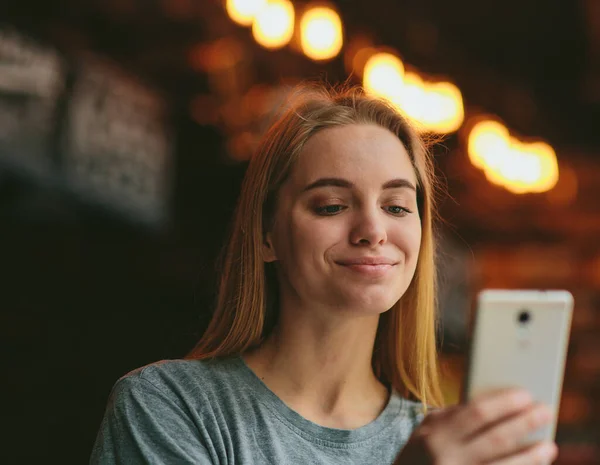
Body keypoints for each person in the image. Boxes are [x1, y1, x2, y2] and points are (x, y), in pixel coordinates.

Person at [90, 84, 557, 464]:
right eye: (332, 205)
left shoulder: (450, 445)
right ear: (266, 235)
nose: (373, 230)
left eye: (396, 206)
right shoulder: (172, 406)